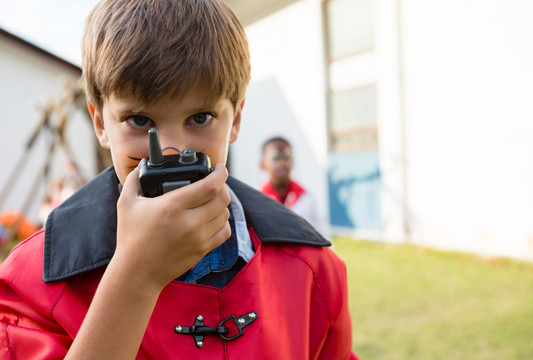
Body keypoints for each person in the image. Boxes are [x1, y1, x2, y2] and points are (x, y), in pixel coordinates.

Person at [0, 1, 358, 359]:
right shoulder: (29, 287)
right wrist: (135, 277)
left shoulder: (311, 267)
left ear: (235, 118)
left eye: (200, 117)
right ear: (100, 123)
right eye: (140, 121)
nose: (171, 150)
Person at [260, 137, 328, 237]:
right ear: (263, 164)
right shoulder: (258, 200)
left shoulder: (307, 197)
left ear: (293, 162)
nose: (282, 163)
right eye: (275, 158)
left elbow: (323, 235)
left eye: (287, 157)